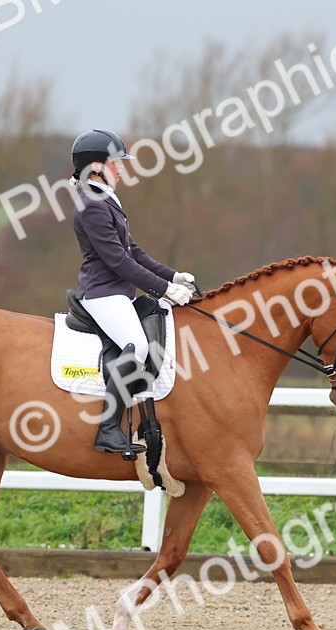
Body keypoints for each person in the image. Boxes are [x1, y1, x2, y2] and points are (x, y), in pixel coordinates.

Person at [69, 129, 197, 454]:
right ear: (96, 167)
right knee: (138, 347)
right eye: (116, 163)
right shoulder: (92, 205)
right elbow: (118, 262)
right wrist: (165, 290)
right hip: (102, 293)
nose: (122, 168)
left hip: (116, 291)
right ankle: (108, 430)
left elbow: (133, 252)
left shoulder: (106, 198)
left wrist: (174, 276)